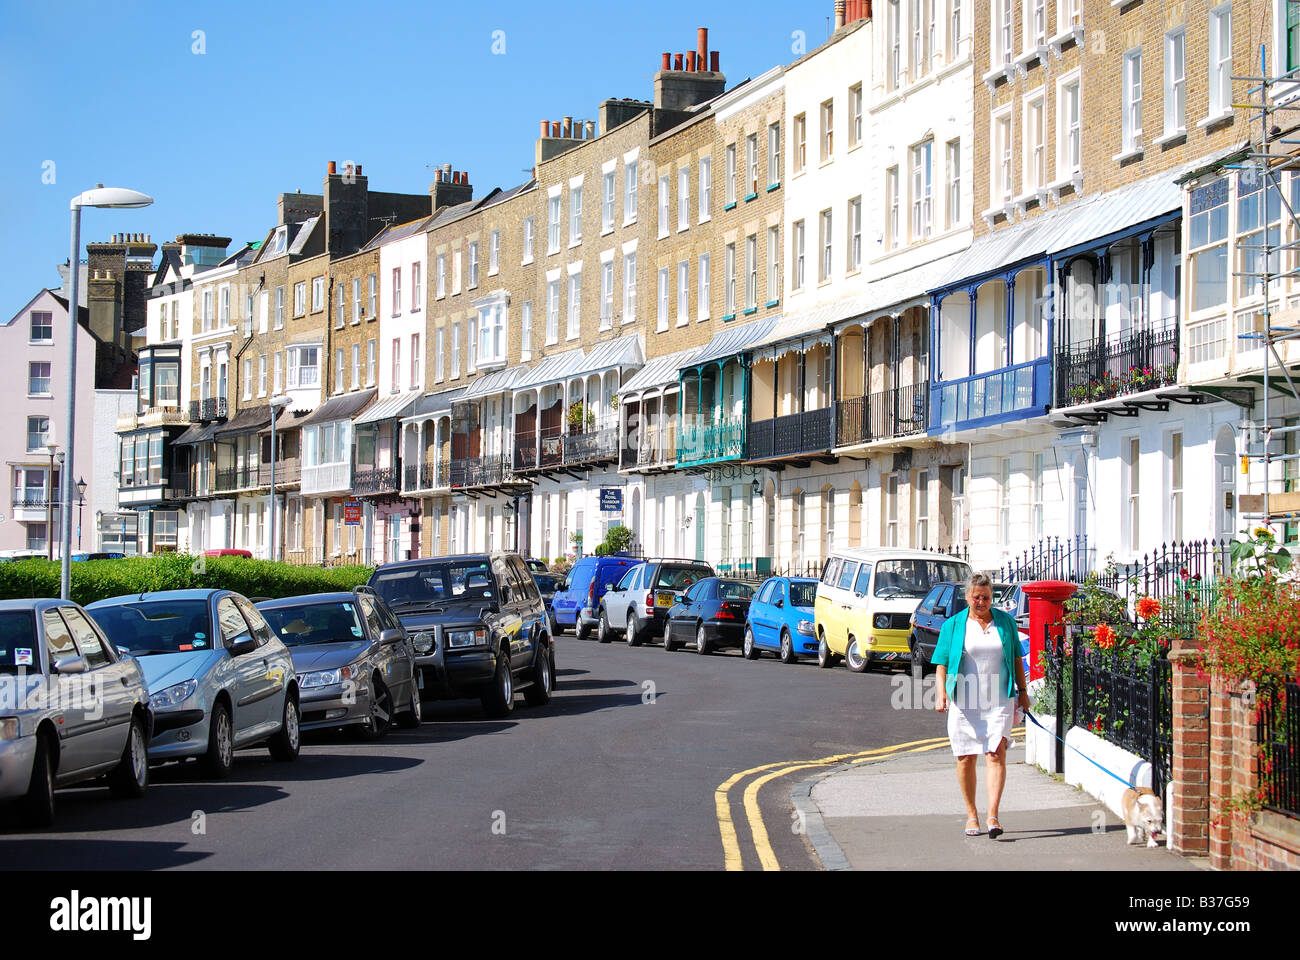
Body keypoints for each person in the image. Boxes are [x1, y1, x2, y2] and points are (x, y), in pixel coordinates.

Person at [931, 572, 1031, 839]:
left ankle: (993, 815)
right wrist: (941, 694)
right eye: (976, 597)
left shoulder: (1006, 623)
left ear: (992, 598)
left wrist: (1023, 692)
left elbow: (1017, 660)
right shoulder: (953, 626)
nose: (981, 602)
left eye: (986, 597)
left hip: (999, 701)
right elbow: (941, 665)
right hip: (964, 703)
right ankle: (972, 814)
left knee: (996, 754)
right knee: (965, 758)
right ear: (967, 597)